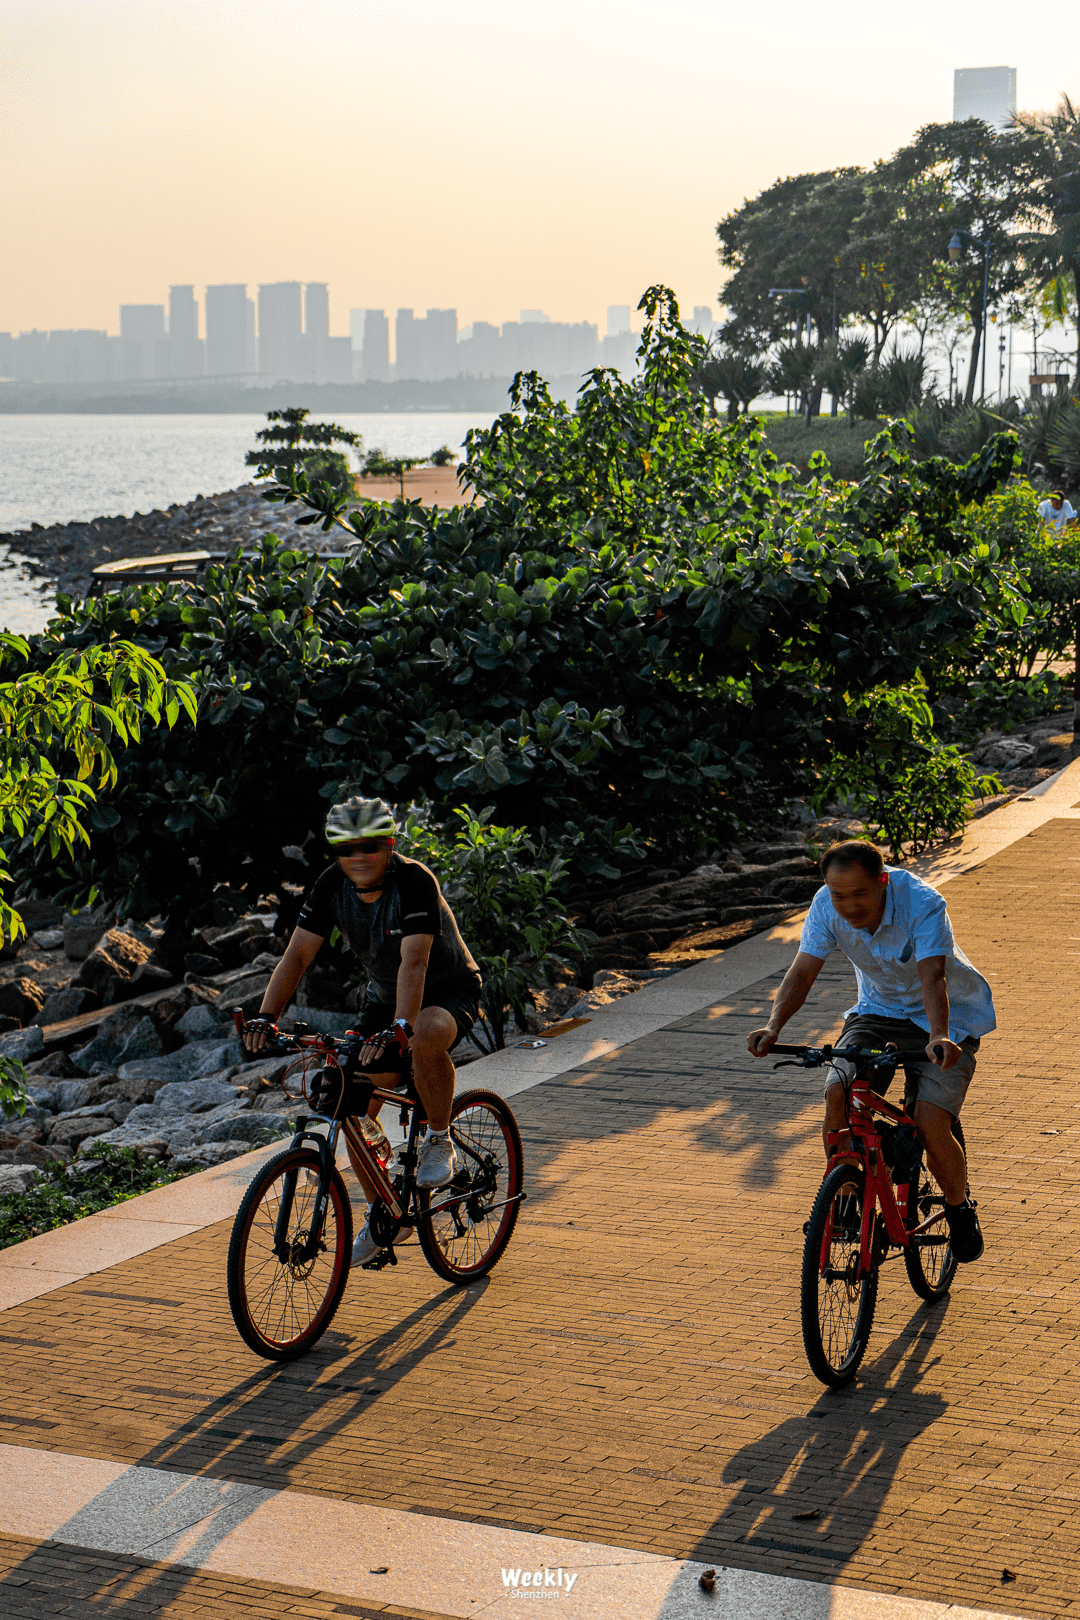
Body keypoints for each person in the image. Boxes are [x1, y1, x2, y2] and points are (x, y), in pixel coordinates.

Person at [242, 796, 483, 1266]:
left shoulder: (414, 882)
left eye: (370, 845)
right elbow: (296, 957)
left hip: (446, 990)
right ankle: (381, 1213)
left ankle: (439, 1137)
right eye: (346, 848)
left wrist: (400, 1027)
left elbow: (415, 964)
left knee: (424, 1033)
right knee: (351, 1106)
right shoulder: (331, 885)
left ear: (390, 844)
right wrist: (266, 1016)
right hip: (383, 1001)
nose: (358, 857)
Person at [746, 839, 994, 1263]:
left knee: (931, 1123)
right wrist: (773, 1026)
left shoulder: (922, 903)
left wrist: (938, 1035)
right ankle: (843, 1200)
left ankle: (958, 1207)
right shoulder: (826, 904)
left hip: (947, 1021)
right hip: (877, 1011)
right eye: (839, 894)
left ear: (882, 882)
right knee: (838, 1093)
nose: (848, 905)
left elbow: (934, 976)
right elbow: (803, 971)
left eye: (860, 893)